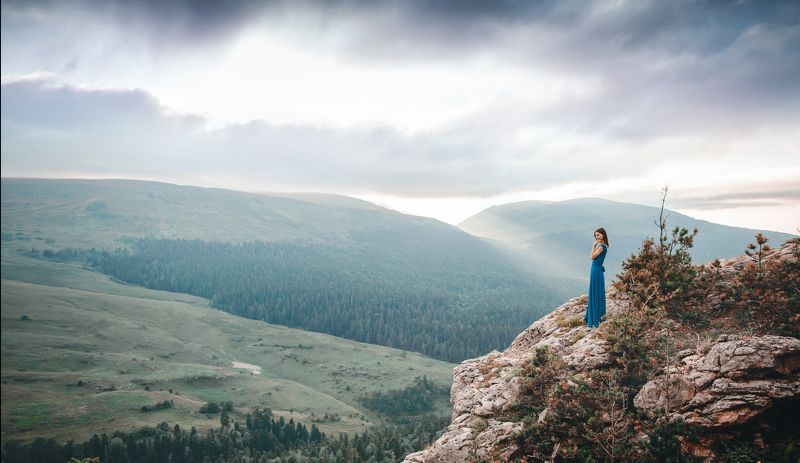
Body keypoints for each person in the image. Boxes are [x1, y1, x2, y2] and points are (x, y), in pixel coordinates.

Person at [585, 227, 609, 328]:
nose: (596, 237)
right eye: (595, 235)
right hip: (597, 269)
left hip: (595, 269)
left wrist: (593, 245)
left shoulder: (601, 246)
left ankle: (594, 316)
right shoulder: (605, 245)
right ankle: (598, 313)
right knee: (597, 290)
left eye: (598, 235)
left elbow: (592, 256)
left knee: (595, 291)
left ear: (603, 235)